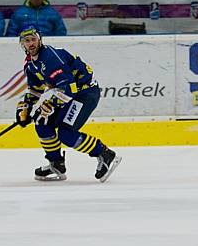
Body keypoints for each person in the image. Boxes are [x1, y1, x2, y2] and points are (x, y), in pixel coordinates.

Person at [13, 24, 121, 183]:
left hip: (85, 93)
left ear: (40, 39)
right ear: (22, 44)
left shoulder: (50, 58)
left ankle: (104, 154)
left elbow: (68, 89)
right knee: (42, 123)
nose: (31, 43)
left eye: (33, 39)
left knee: (66, 133)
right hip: (71, 93)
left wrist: (49, 104)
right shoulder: (30, 64)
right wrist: (26, 107)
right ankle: (56, 164)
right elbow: (36, 89)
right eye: (27, 40)